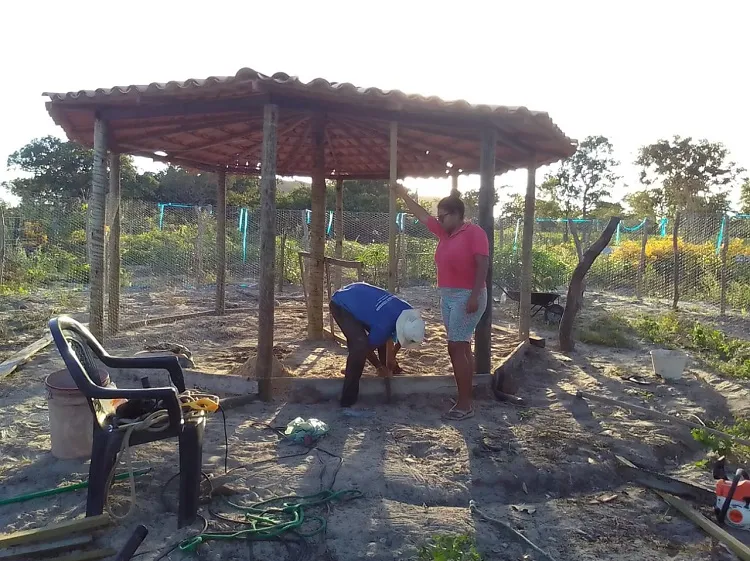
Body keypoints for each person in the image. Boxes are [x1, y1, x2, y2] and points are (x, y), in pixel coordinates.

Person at [395, 185, 489, 420]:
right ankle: (466, 396)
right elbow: (422, 215)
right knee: (461, 345)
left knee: (455, 346)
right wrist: (404, 195)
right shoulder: (444, 233)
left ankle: (465, 403)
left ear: (457, 214)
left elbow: (483, 264)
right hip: (448, 296)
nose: (439, 220)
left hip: (467, 295)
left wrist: (475, 296)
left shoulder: (474, 232)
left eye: (443, 216)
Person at [329, 282, 425, 407]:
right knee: (359, 346)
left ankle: (389, 367)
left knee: (381, 340)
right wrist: (379, 367)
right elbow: (367, 350)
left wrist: (392, 356)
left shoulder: (408, 312)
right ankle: (348, 399)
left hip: (362, 295)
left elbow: (400, 337)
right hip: (342, 302)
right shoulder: (383, 326)